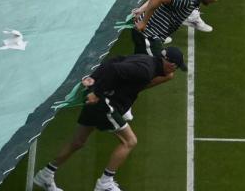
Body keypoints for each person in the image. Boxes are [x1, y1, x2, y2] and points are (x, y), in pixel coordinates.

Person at [33, 47, 187, 191]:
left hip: (100, 101)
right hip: (105, 103)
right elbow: (114, 69)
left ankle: (46, 174)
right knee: (130, 141)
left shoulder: (145, 60)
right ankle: (105, 183)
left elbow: (114, 60)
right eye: (175, 66)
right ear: (168, 63)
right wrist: (97, 93)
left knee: (78, 141)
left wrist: (93, 79)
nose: (175, 70)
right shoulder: (146, 71)